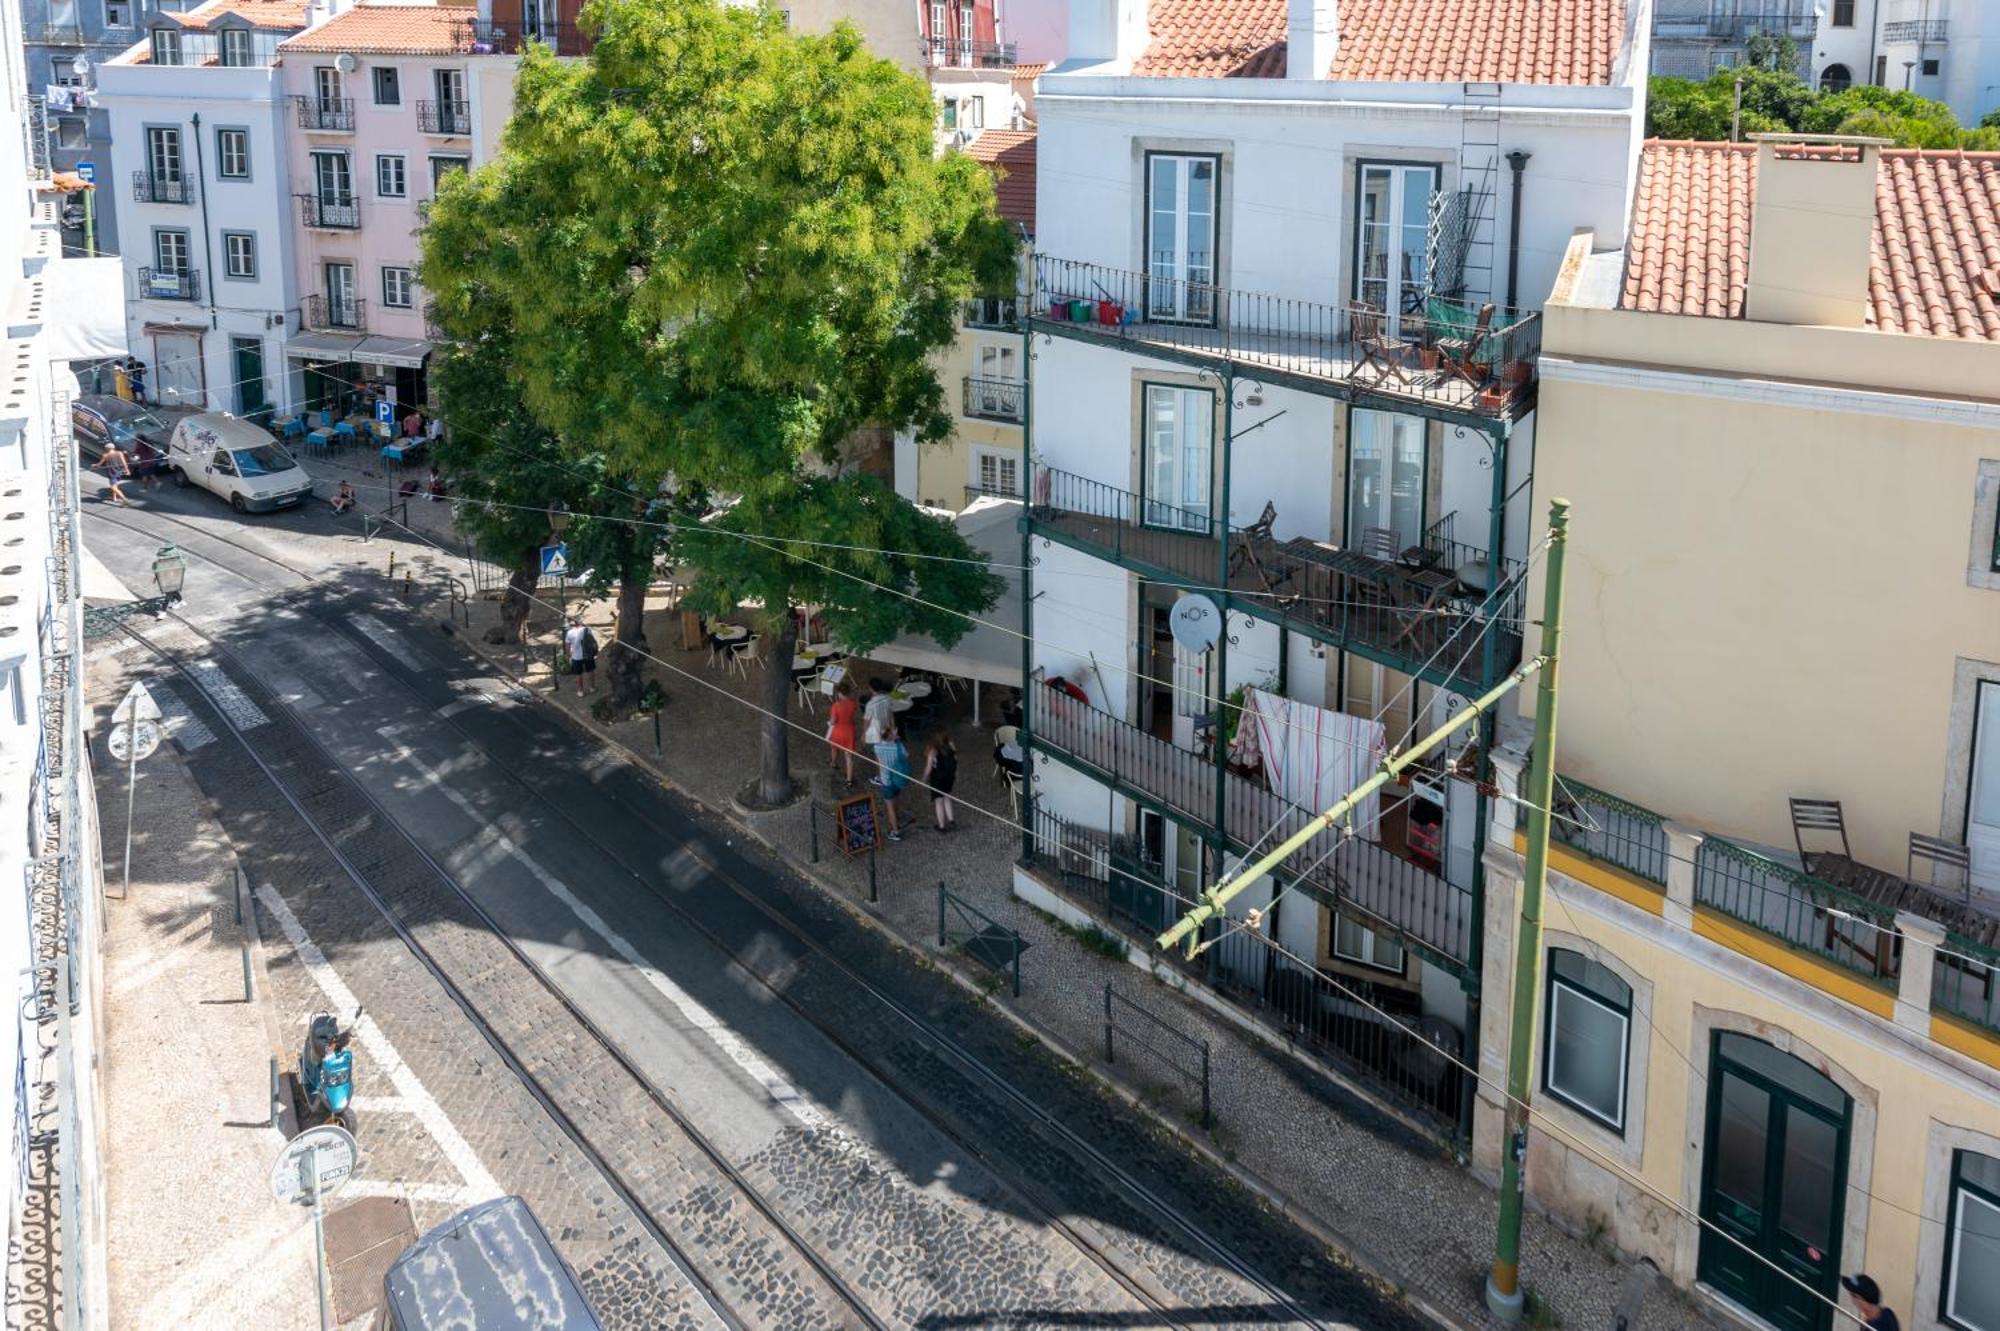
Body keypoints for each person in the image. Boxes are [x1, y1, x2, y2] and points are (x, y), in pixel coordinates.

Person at [826, 679, 861, 787]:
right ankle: (849, 780)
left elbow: (833, 721)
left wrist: (829, 722)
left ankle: (833, 763)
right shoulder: (853, 704)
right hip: (849, 732)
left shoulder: (835, 706)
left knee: (834, 749)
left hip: (837, 731)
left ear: (839, 693)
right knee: (849, 757)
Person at [863, 675, 898, 787]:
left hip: (877, 733)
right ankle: (890, 773)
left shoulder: (870, 705)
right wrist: (893, 728)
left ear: (871, 688)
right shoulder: (888, 698)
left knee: (879, 757)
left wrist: (864, 734)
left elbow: (867, 722)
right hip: (888, 729)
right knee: (889, 752)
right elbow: (891, 714)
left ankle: (880, 778)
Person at [878, 735, 912, 842]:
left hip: (886, 780)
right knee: (896, 799)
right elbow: (906, 756)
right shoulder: (898, 746)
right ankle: (896, 819)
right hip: (897, 779)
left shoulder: (878, 747)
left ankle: (895, 830)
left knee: (889, 807)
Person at [922, 732, 957, 832]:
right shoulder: (951, 746)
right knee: (947, 796)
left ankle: (941, 826)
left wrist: (923, 779)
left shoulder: (933, 751)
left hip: (937, 780)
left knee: (938, 801)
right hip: (949, 778)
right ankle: (951, 820)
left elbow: (928, 768)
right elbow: (955, 760)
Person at [563, 617, 599, 696]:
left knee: (578, 674)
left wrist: (568, 655)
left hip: (576, 656)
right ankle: (592, 687)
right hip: (588, 654)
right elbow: (592, 640)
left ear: (574, 623)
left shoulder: (570, 632)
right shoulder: (587, 629)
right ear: (581, 622)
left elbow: (567, 646)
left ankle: (580, 691)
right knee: (590, 671)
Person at [98, 442, 131, 506]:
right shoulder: (119, 453)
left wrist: (94, 465)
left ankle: (125, 499)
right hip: (119, 472)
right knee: (115, 484)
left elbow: (99, 464)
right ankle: (114, 498)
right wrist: (127, 470)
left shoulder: (105, 455)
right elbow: (124, 462)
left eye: (106, 448)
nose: (105, 449)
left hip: (111, 473)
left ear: (108, 448)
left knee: (113, 487)